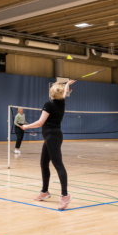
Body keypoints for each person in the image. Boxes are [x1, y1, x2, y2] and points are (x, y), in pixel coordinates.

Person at [22, 80, 76, 210]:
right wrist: (67, 84)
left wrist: (26, 126)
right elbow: (63, 96)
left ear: (51, 93)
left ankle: (65, 195)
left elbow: (40, 122)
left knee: (58, 164)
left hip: (52, 137)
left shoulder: (49, 105)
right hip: (51, 137)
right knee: (44, 163)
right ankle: (45, 191)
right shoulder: (61, 103)